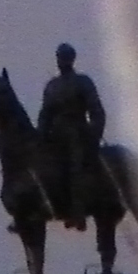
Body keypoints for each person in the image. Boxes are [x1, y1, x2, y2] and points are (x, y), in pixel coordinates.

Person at [36, 42, 107, 220]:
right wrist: (41, 134)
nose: (62, 61)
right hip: (55, 135)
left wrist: (93, 137)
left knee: (75, 165)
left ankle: (78, 208)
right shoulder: (52, 86)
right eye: (59, 57)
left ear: (71, 60)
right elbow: (45, 113)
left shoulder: (83, 82)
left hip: (77, 132)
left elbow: (97, 111)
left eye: (65, 57)